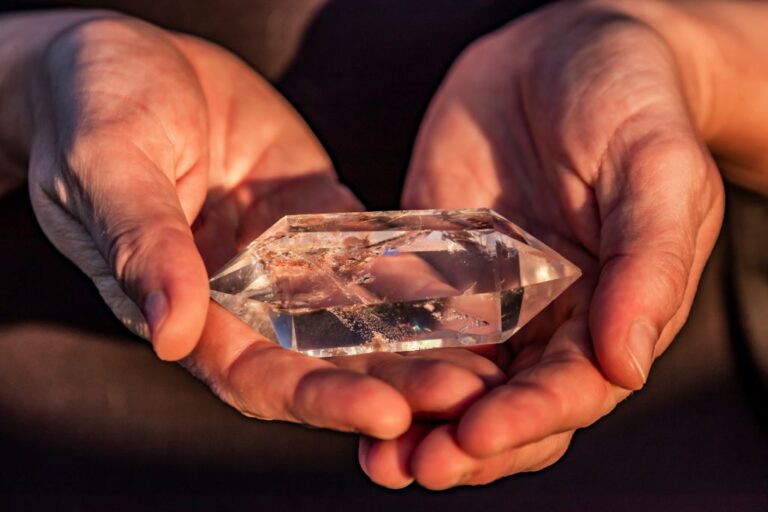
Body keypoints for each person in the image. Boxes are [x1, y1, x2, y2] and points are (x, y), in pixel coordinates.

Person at [0, 0, 764, 491]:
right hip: (78, 457)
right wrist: (34, 79)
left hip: (673, 456)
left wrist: (683, 62)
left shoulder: (530, 271)